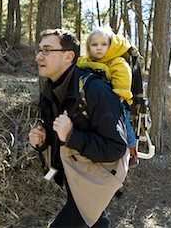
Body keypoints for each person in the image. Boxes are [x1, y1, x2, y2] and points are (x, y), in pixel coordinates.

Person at [29, 28, 129, 227]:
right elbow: (59, 136)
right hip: (74, 177)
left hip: (96, 179)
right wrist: (42, 142)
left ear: (68, 56)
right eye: (39, 50)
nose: (39, 56)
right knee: (95, 221)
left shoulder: (95, 90)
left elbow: (116, 148)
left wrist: (72, 135)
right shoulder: (49, 92)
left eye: (47, 50)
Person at [76, 28, 138, 167]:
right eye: (94, 45)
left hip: (117, 100)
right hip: (98, 101)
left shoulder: (117, 62)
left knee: (124, 124)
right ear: (88, 47)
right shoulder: (86, 61)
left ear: (110, 45)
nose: (99, 48)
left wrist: (119, 97)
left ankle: (132, 149)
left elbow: (123, 79)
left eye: (104, 44)